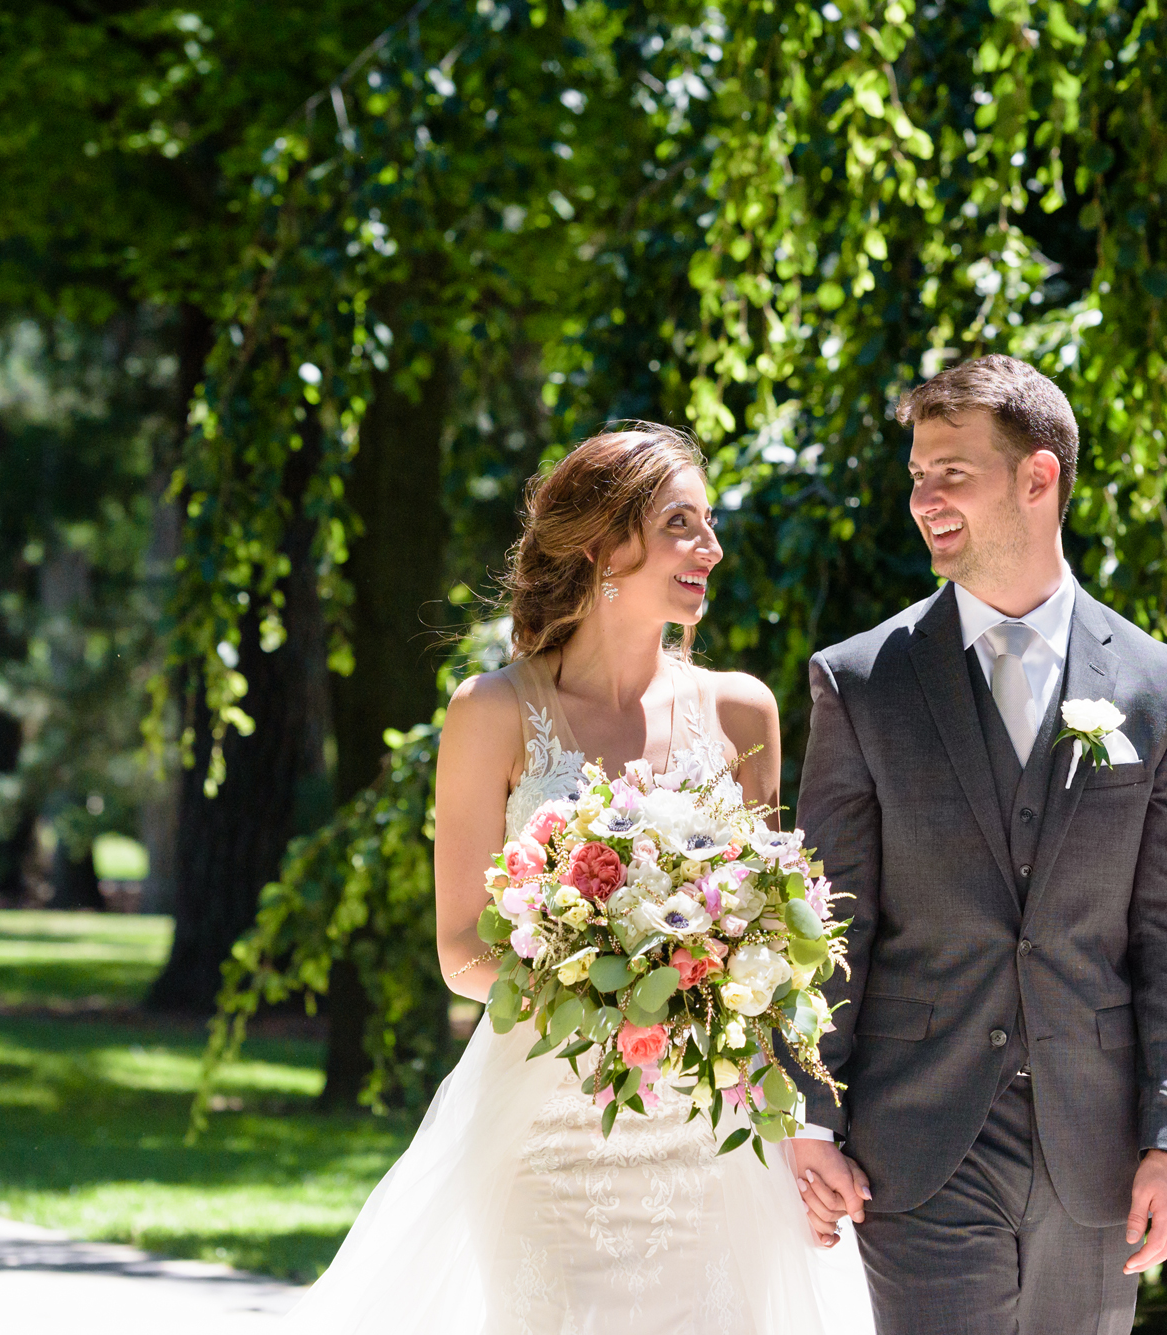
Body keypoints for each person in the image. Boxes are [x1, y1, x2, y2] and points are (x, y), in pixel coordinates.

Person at [288, 424, 874, 1334]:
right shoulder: (492, 711)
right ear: (604, 544)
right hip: (547, 1137)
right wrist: (613, 993)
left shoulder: (742, 708)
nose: (711, 548)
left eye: (709, 523)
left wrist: (785, 1102)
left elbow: (764, 946)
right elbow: (459, 951)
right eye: (682, 522)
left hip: (711, 1140)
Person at [785, 355, 1167, 1334]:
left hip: (1096, 1154)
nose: (922, 499)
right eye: (914, 476)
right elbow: (825, 922)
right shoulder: (860, 684)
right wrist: (807, 1116)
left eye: (951, 472)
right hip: (917, 1143)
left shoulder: (1160, 688)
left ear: (1037, 477)